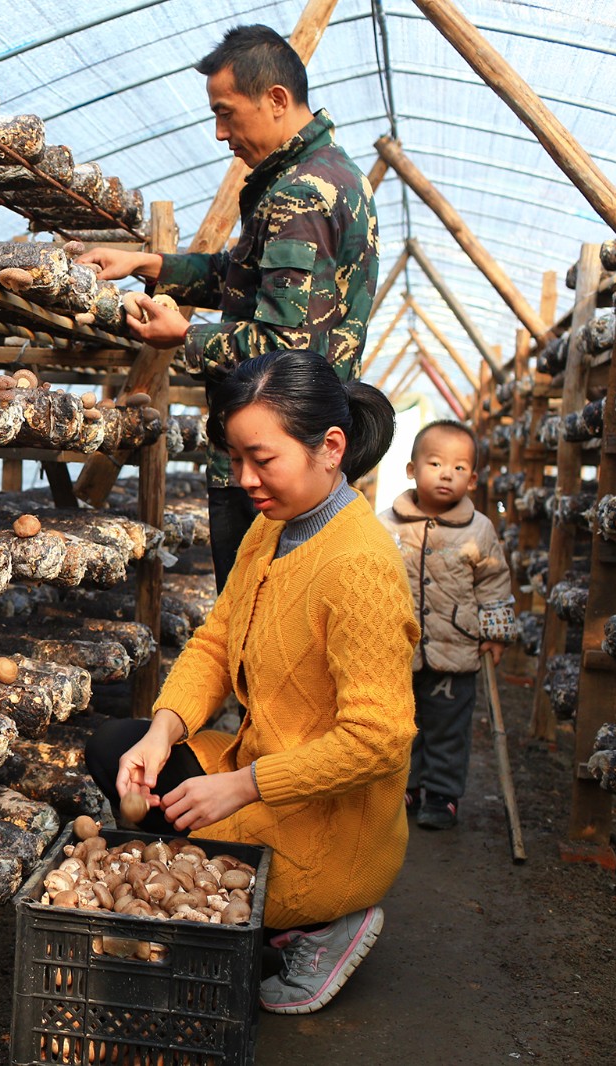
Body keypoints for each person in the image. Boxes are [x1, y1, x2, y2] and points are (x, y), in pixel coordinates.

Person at [84, 351, 418, 1016]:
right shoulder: (272, 529)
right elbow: (213, 641)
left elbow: (379, 740)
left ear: (330, 447)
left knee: (177, 833)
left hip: (325, 818)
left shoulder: (358, 567)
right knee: (119, 752)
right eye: (236, 459)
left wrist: (241, 787)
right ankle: (245, 902)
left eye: (261, 459)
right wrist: (163, 730)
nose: (245, 480)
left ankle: (323, 924)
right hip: (258, 768)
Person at [76, 24, 379, 590]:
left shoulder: (301, 193)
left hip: (274, 452)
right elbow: (242, 278)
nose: (220, 133)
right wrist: (147, 264)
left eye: (226, 112)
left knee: (254, 625)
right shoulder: (326, 176)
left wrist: (183, 337)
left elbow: (284, 345)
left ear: (277, 100)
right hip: (301, 454)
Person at [377, 419, 515, 831]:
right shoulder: (387, 525)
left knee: (448, 726)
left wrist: (494, 634)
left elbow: (494, 582)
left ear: (472, 479)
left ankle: (442, 793)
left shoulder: (481, 530)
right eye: (435, 463)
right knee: (402, 722)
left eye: (458, 468)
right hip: (398, 650)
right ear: (411, 469)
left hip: (457, 648)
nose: (446, 474)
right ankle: (406, 785)